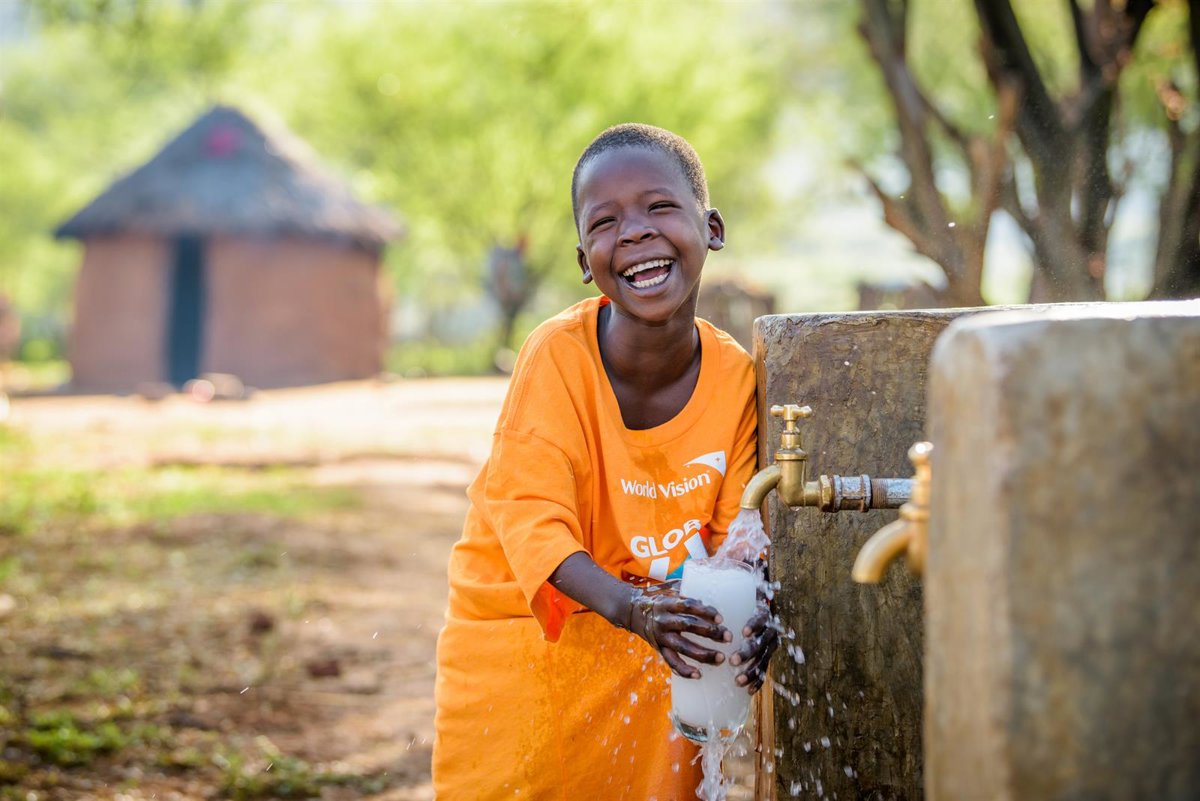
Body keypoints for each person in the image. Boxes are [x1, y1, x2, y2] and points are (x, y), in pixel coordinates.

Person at [433, 123, 776, 800]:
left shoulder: (736, 378)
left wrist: (753, 607)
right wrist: (634, 607)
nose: (636, 231)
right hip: (530, 654)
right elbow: (532, 520)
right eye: (605, 221)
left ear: (711, 228)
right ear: (585, 261)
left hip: (656, 656)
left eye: (660, 207)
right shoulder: (557, 356)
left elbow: (738, 538)